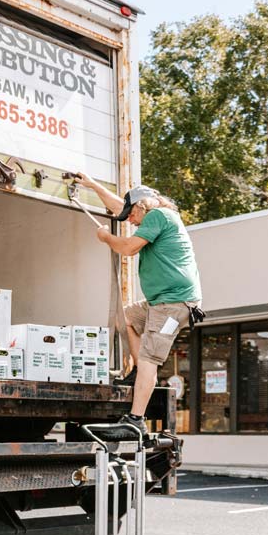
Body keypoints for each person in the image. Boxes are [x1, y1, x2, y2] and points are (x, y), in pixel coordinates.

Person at [77, 174, 202, 431]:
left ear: (141, 206)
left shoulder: (159, 215)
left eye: (131, 216)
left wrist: (105, 238)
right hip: (160, 302)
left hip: (172, 304)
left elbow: (128, 248)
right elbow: (118, 207)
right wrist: (92, 184)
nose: (130, 222)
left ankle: (135, 421)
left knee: (149, 359)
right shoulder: (152, 215)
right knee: (126, 318)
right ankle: (138, 372)